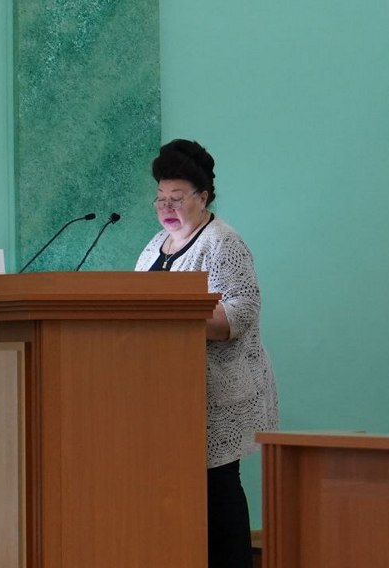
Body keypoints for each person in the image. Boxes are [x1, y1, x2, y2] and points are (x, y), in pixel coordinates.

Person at [135, 139, 279, 567]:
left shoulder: (222, 242)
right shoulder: (154, 246)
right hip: (169, 391)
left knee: (218, 487)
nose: (166, 207)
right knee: (179, 490)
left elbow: (242, 312)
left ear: (203, 196)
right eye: (160, 198)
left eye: (177, 198)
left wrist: (176, 318)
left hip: (220, 392)